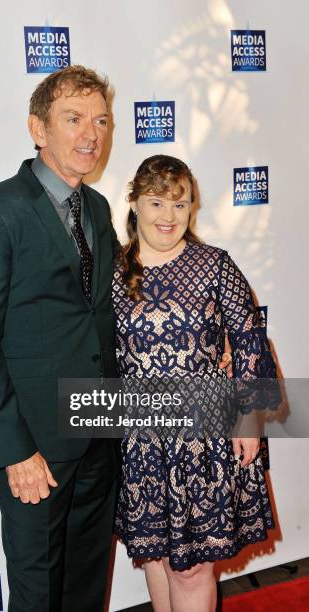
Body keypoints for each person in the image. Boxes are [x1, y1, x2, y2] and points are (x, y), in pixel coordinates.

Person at [0, 65, 120, 612]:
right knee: (38, 590)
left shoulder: (97, 208)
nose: (90, 134)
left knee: (86, 582)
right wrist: (16, 449)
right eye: (73, 119)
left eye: (100, 120)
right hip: (36, 447)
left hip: (100, 430)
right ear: (38, 129)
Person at [112, 155, 278, 612]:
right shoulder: (111, 272)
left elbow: (249, 339)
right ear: (135, 205)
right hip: (141, 441)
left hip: (203, 440)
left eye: (180, 204)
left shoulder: (214, 265)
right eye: (156, 203)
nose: (168, 217)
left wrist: (249, 418)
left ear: (192, 208)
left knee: (191, 567)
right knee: (158, 560)